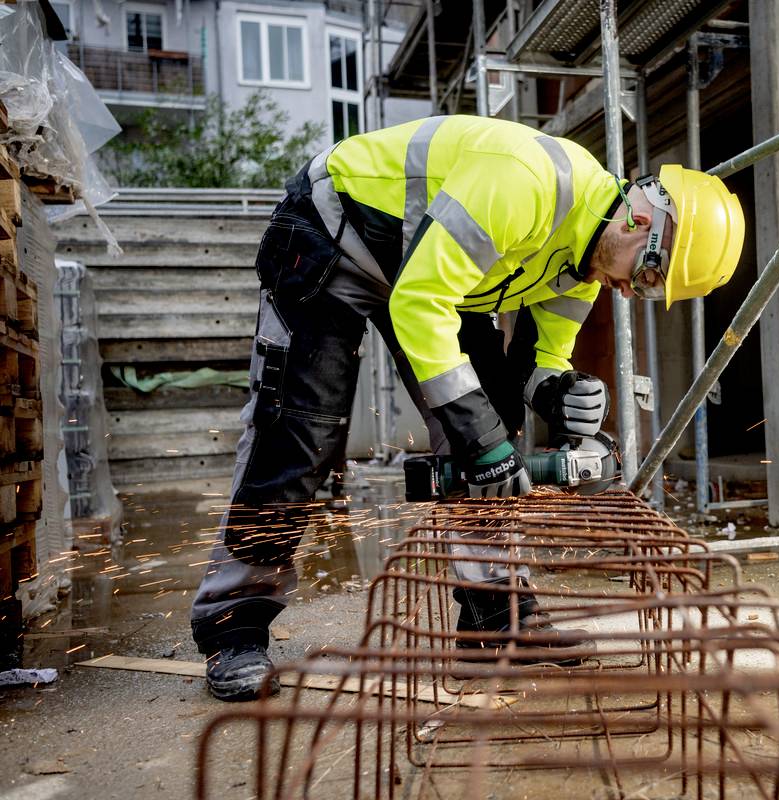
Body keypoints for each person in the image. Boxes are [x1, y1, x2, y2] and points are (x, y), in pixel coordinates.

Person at [189, 115, 745, 701]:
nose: (636, 291)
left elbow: (538, 364)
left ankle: (495, 617)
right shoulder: (527, 182)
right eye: (651, 273)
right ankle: (235, 624)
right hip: (337, 233)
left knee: (488, 420)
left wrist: (562, 395)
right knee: (299, 430)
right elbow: (420, 303)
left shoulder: (584, 267)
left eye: (653, 292)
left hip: (427, 269)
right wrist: (485, 445)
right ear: (640, 219)